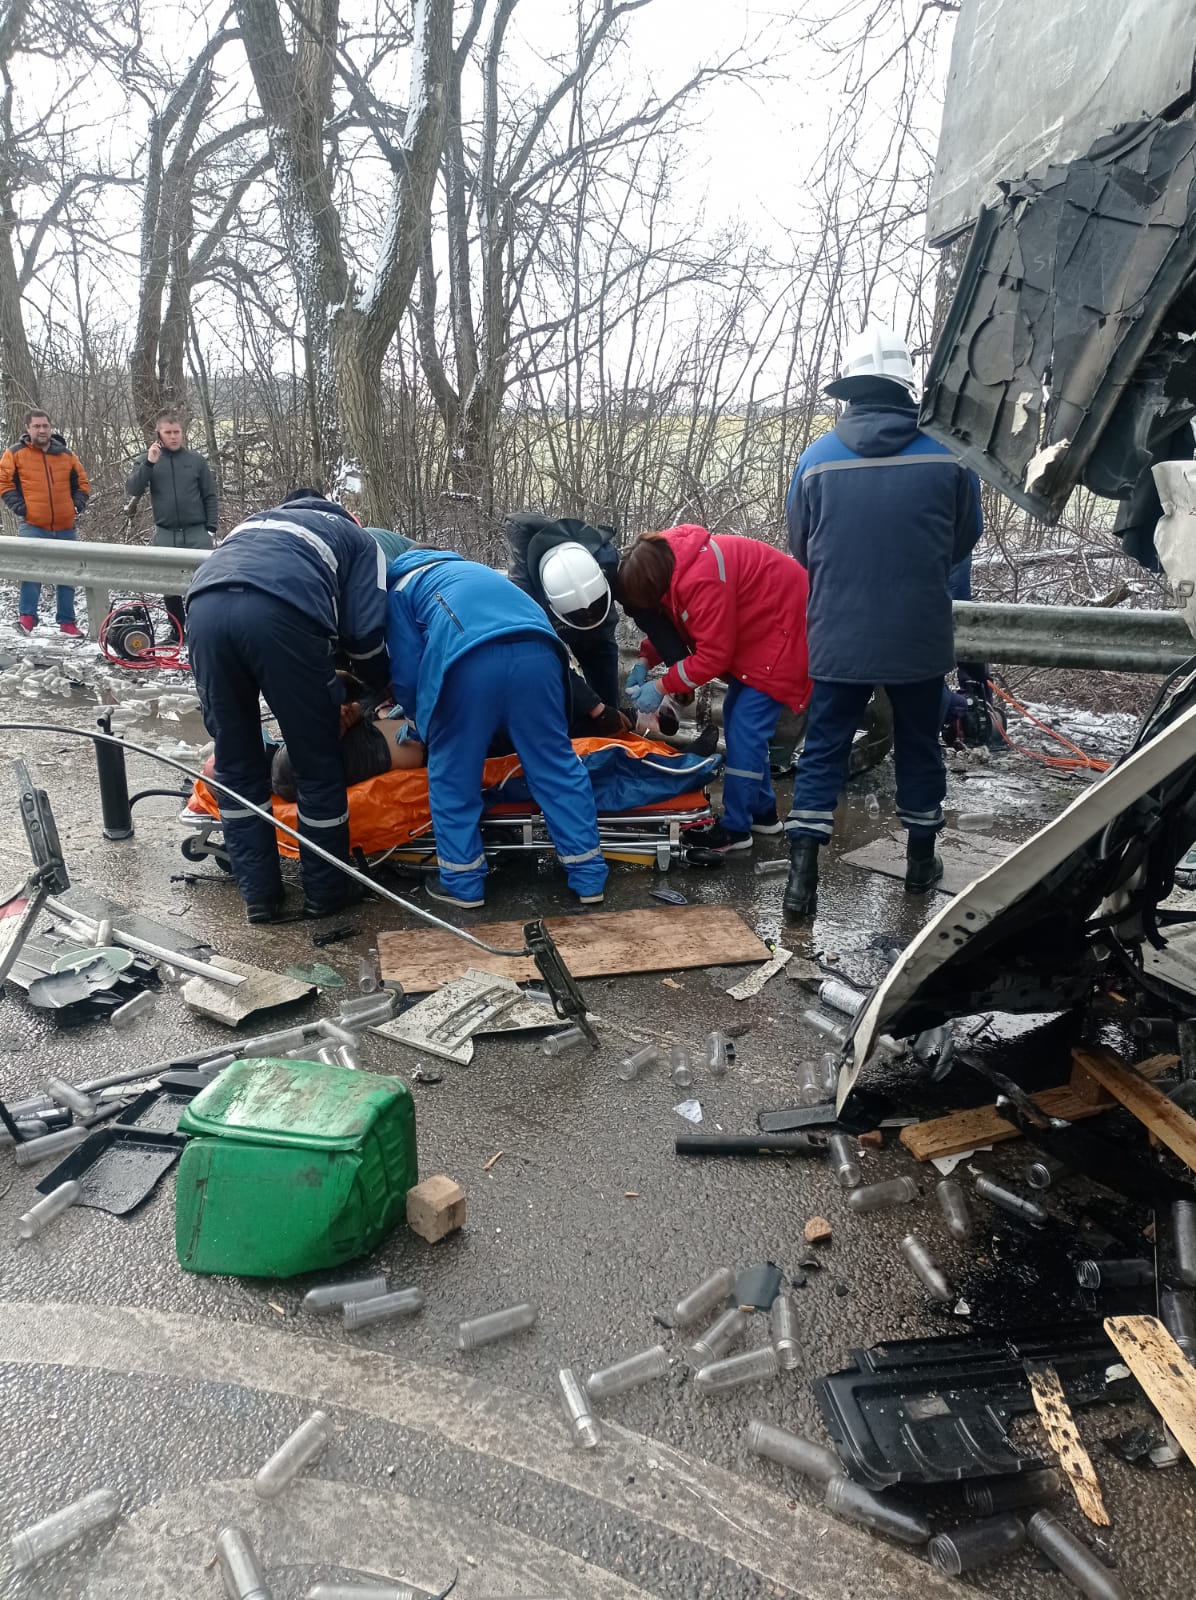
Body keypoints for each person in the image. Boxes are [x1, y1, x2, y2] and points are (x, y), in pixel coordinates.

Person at [781, 324, 984, 919]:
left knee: (823, 747)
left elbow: (802, 545)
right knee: (919, 744)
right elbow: (962, 540)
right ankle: (921, 864)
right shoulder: (948, 455)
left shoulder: (815, 460)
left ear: (851, 391)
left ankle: (801, 881)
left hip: (838, 635)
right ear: (906, 388)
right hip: (917, 634)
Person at [185, 489, 390, 923]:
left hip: (203, 612)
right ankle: (326, 894)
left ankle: (258, 895)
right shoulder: (356, 539)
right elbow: (365, 635)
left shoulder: (256, 523)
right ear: (348, 516)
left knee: (236, 766)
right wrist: (377, 688)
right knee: (316, 764)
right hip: (280, 615)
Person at [386, 546, 607, 910]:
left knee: (454, 775)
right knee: (556, 768)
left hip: (468, 663)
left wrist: (415, 717)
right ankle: (589, 877)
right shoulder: (479, 570)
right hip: (541, 657)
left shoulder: (401, 588)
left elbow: (407, 670)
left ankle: (463, 884)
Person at [615, 526, 811, 850]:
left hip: (786, 634)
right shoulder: (667, 565)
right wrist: (645, 660)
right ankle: (762, 816)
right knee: (739, 721)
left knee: (746, 728)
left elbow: (714, 656)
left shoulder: (701, 580)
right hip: (766, 632)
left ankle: (736, 829)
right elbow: (671, 623)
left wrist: (662, 686)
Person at [503, 511, 644, 737]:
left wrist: (607, 709)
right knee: (561, 698)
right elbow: (543, 660)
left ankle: (614, 737)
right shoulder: (524, 596)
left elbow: (606, 646)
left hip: (598, 633)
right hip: (543, 633)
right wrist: (594, 707)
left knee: (607, 710)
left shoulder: (606, 559)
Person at [125, 411, 218, 639]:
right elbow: (133, 489)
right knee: (169, 586)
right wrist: (149, 462)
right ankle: (177, 632)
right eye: (168, 432)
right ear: (159, 434)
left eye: (177, 432)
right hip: (166, 531)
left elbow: (210, 495)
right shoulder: (149, 459)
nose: (174, 437)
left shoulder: (195, 460)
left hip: (196, 530)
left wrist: (211, 527)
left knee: (203, 582)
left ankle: (202, 629)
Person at [0, 409, 91, 635]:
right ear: (27, 429)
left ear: (50, 428)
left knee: (68, 574)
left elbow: (83, 483)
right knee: (32, 571)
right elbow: (3, 482)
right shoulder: (15, 453)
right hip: (33, 524)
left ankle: (68, 622)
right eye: (37, 426)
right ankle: (27, 618)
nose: (42, 430)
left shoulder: (66, 455)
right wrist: (22, 509)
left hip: (65, 525)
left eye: (45, 426)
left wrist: (76, 506)